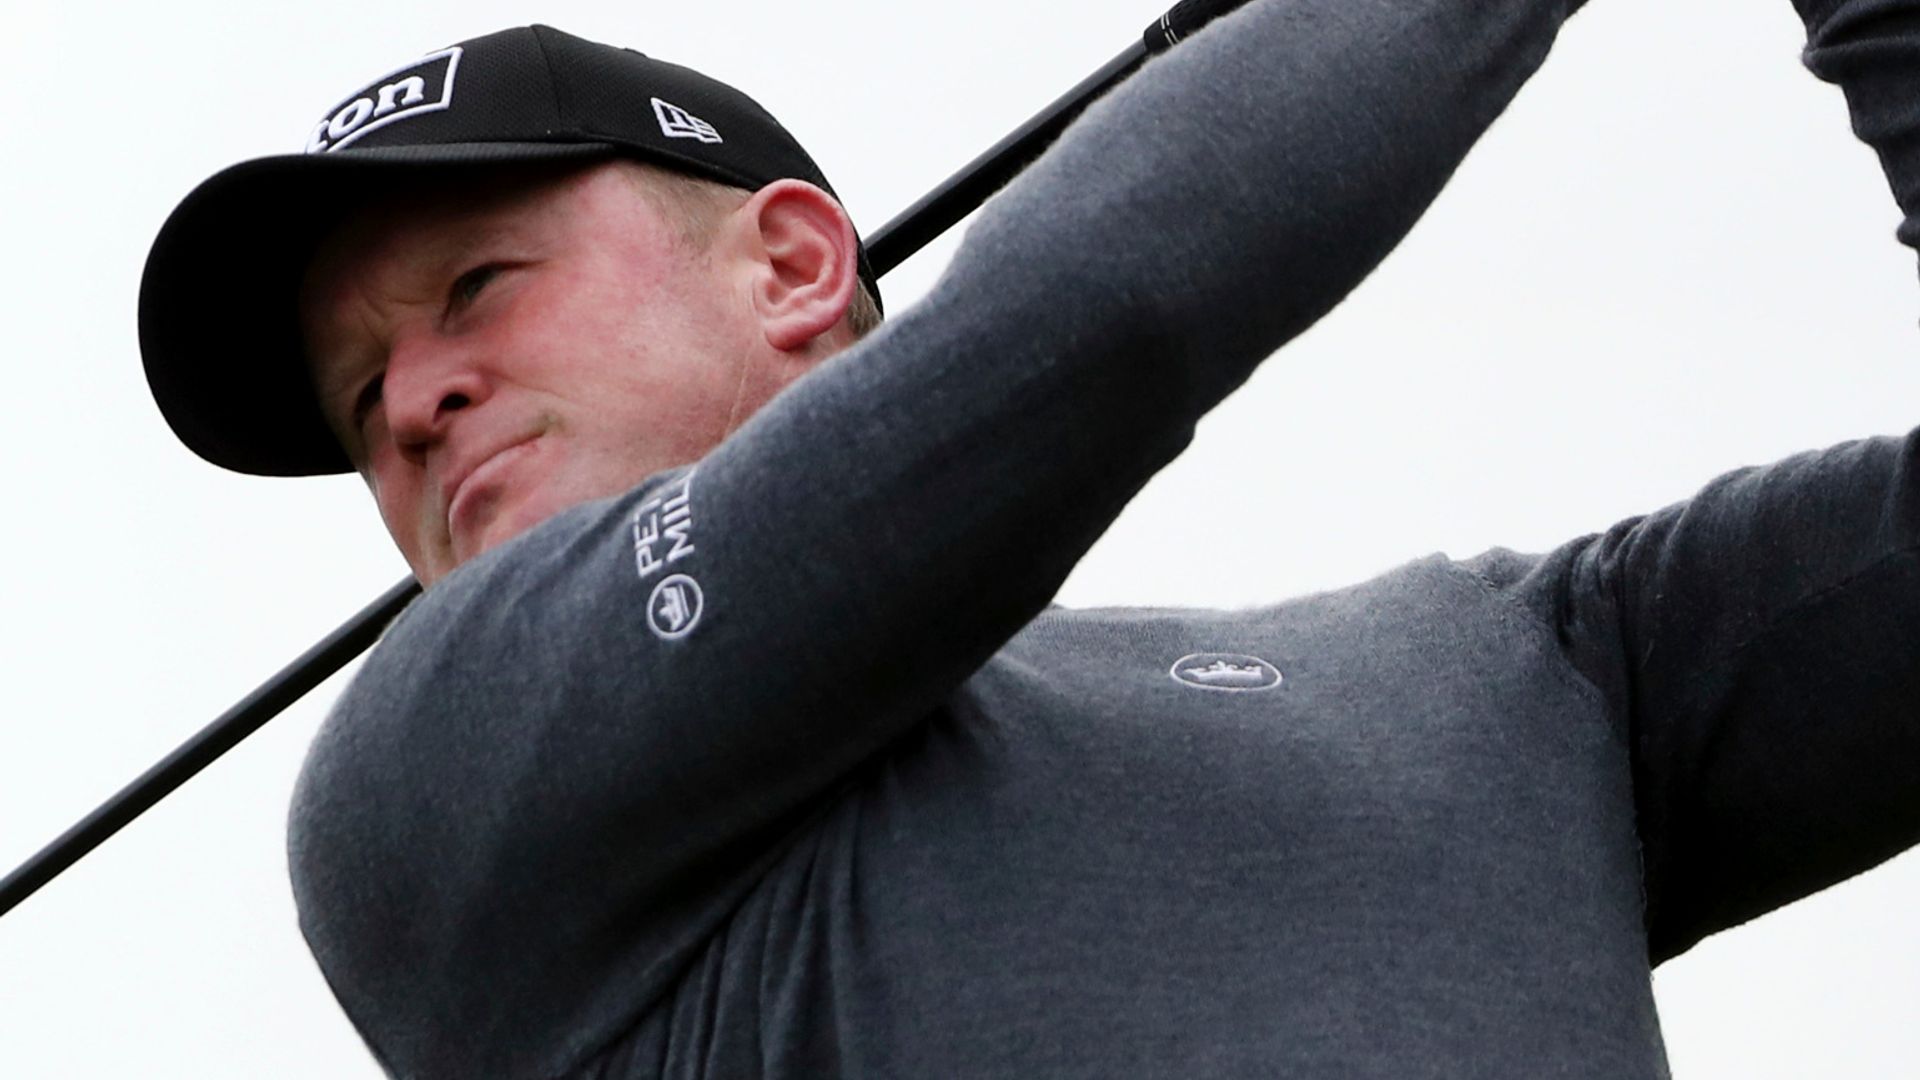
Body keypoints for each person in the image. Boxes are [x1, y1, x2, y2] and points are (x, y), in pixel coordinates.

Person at [135, 1, 1919, 1077]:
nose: (412, 405)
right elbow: (1103, 311)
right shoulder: (430, 776)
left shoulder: (1512, 672)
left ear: (792, 266)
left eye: (475, 288)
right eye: (357, 399)